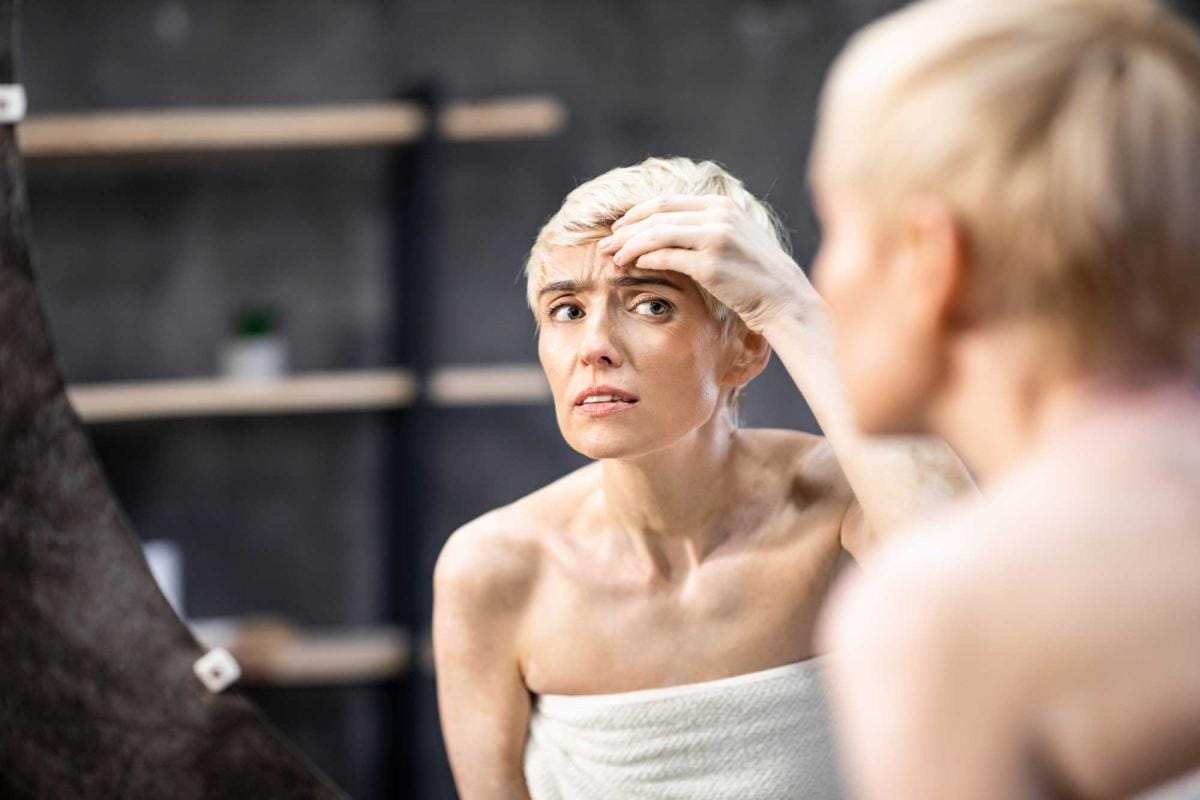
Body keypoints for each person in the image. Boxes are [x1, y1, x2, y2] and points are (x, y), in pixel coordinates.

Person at [603, 1, 1200, 797]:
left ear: (932, 256)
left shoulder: (950, 610)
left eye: (836, 229)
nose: (827, 277)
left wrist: (789, 307)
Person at [433, 156, 973, 799]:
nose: (595, 346)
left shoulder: (845, 505)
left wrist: (792, 304)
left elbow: (974, 582)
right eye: (567, 311)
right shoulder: (496, 570)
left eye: (652, 304)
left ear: (746, 345)